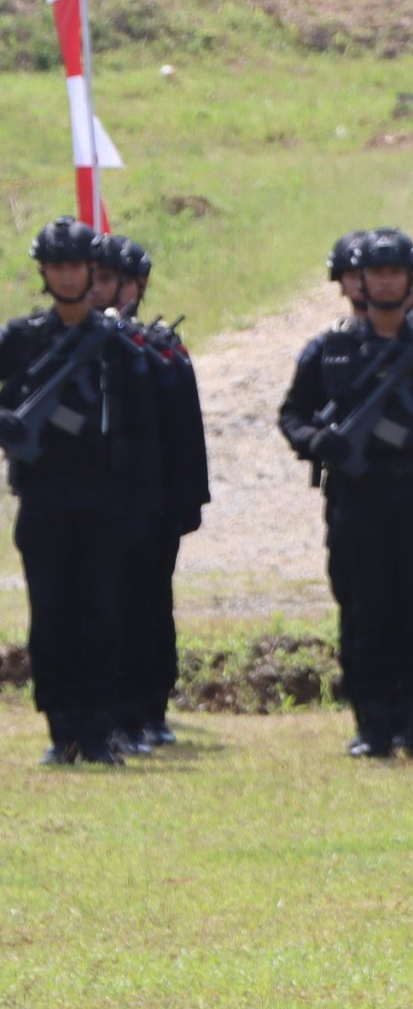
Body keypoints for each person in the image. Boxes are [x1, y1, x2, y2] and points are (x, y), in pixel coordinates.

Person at [278, 229, 413, 760]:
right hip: (358, 497)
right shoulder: (328, 351)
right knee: (363, 609)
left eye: (395, 273)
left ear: (412, 281)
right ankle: (373, 725)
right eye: (376, 273)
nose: (385, 282)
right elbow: (292, 414)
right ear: (360, 281)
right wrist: (316, 440)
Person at [0, 218, 163, 763]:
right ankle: (60, 730)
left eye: (76, 266)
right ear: (44, 272)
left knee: (103, 615)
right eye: (58, 266)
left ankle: (99, 730)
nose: (68, 275)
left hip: (105, 505)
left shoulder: (120, 346)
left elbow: (146, 431)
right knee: (50, 618)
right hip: (44, 501)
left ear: (93, 271)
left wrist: (141, 508)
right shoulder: (20, 340)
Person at [100, 235, 208, 749]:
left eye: (107, 281)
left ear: (135, 286)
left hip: (153, 505)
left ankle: (150, 708)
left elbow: (185, 433)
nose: (96, 290)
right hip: (93, 504)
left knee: (148, 607)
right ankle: (109, 710)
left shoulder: (161, 349)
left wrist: (187, 503)